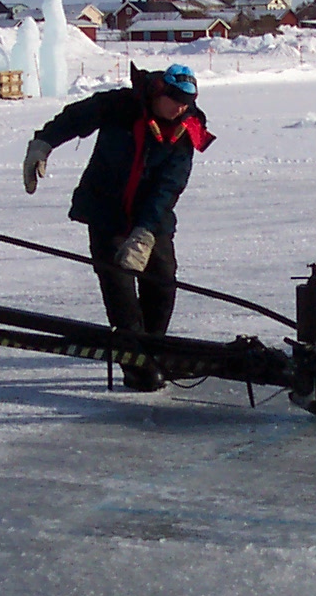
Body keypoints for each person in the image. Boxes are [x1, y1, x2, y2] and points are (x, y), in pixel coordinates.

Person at [22, 62, 212, 390]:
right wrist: (43, 144)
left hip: (153, 215)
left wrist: (145, 232)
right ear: (159, 92)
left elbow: (170, 184)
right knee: (119, 286)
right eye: (176, 99)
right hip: (106, 211)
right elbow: (75, 118)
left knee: (163, 280)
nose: (181, 107)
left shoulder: (189, 126)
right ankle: (133, 361)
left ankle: (153, 350)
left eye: (187, 101)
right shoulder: (121, 105)